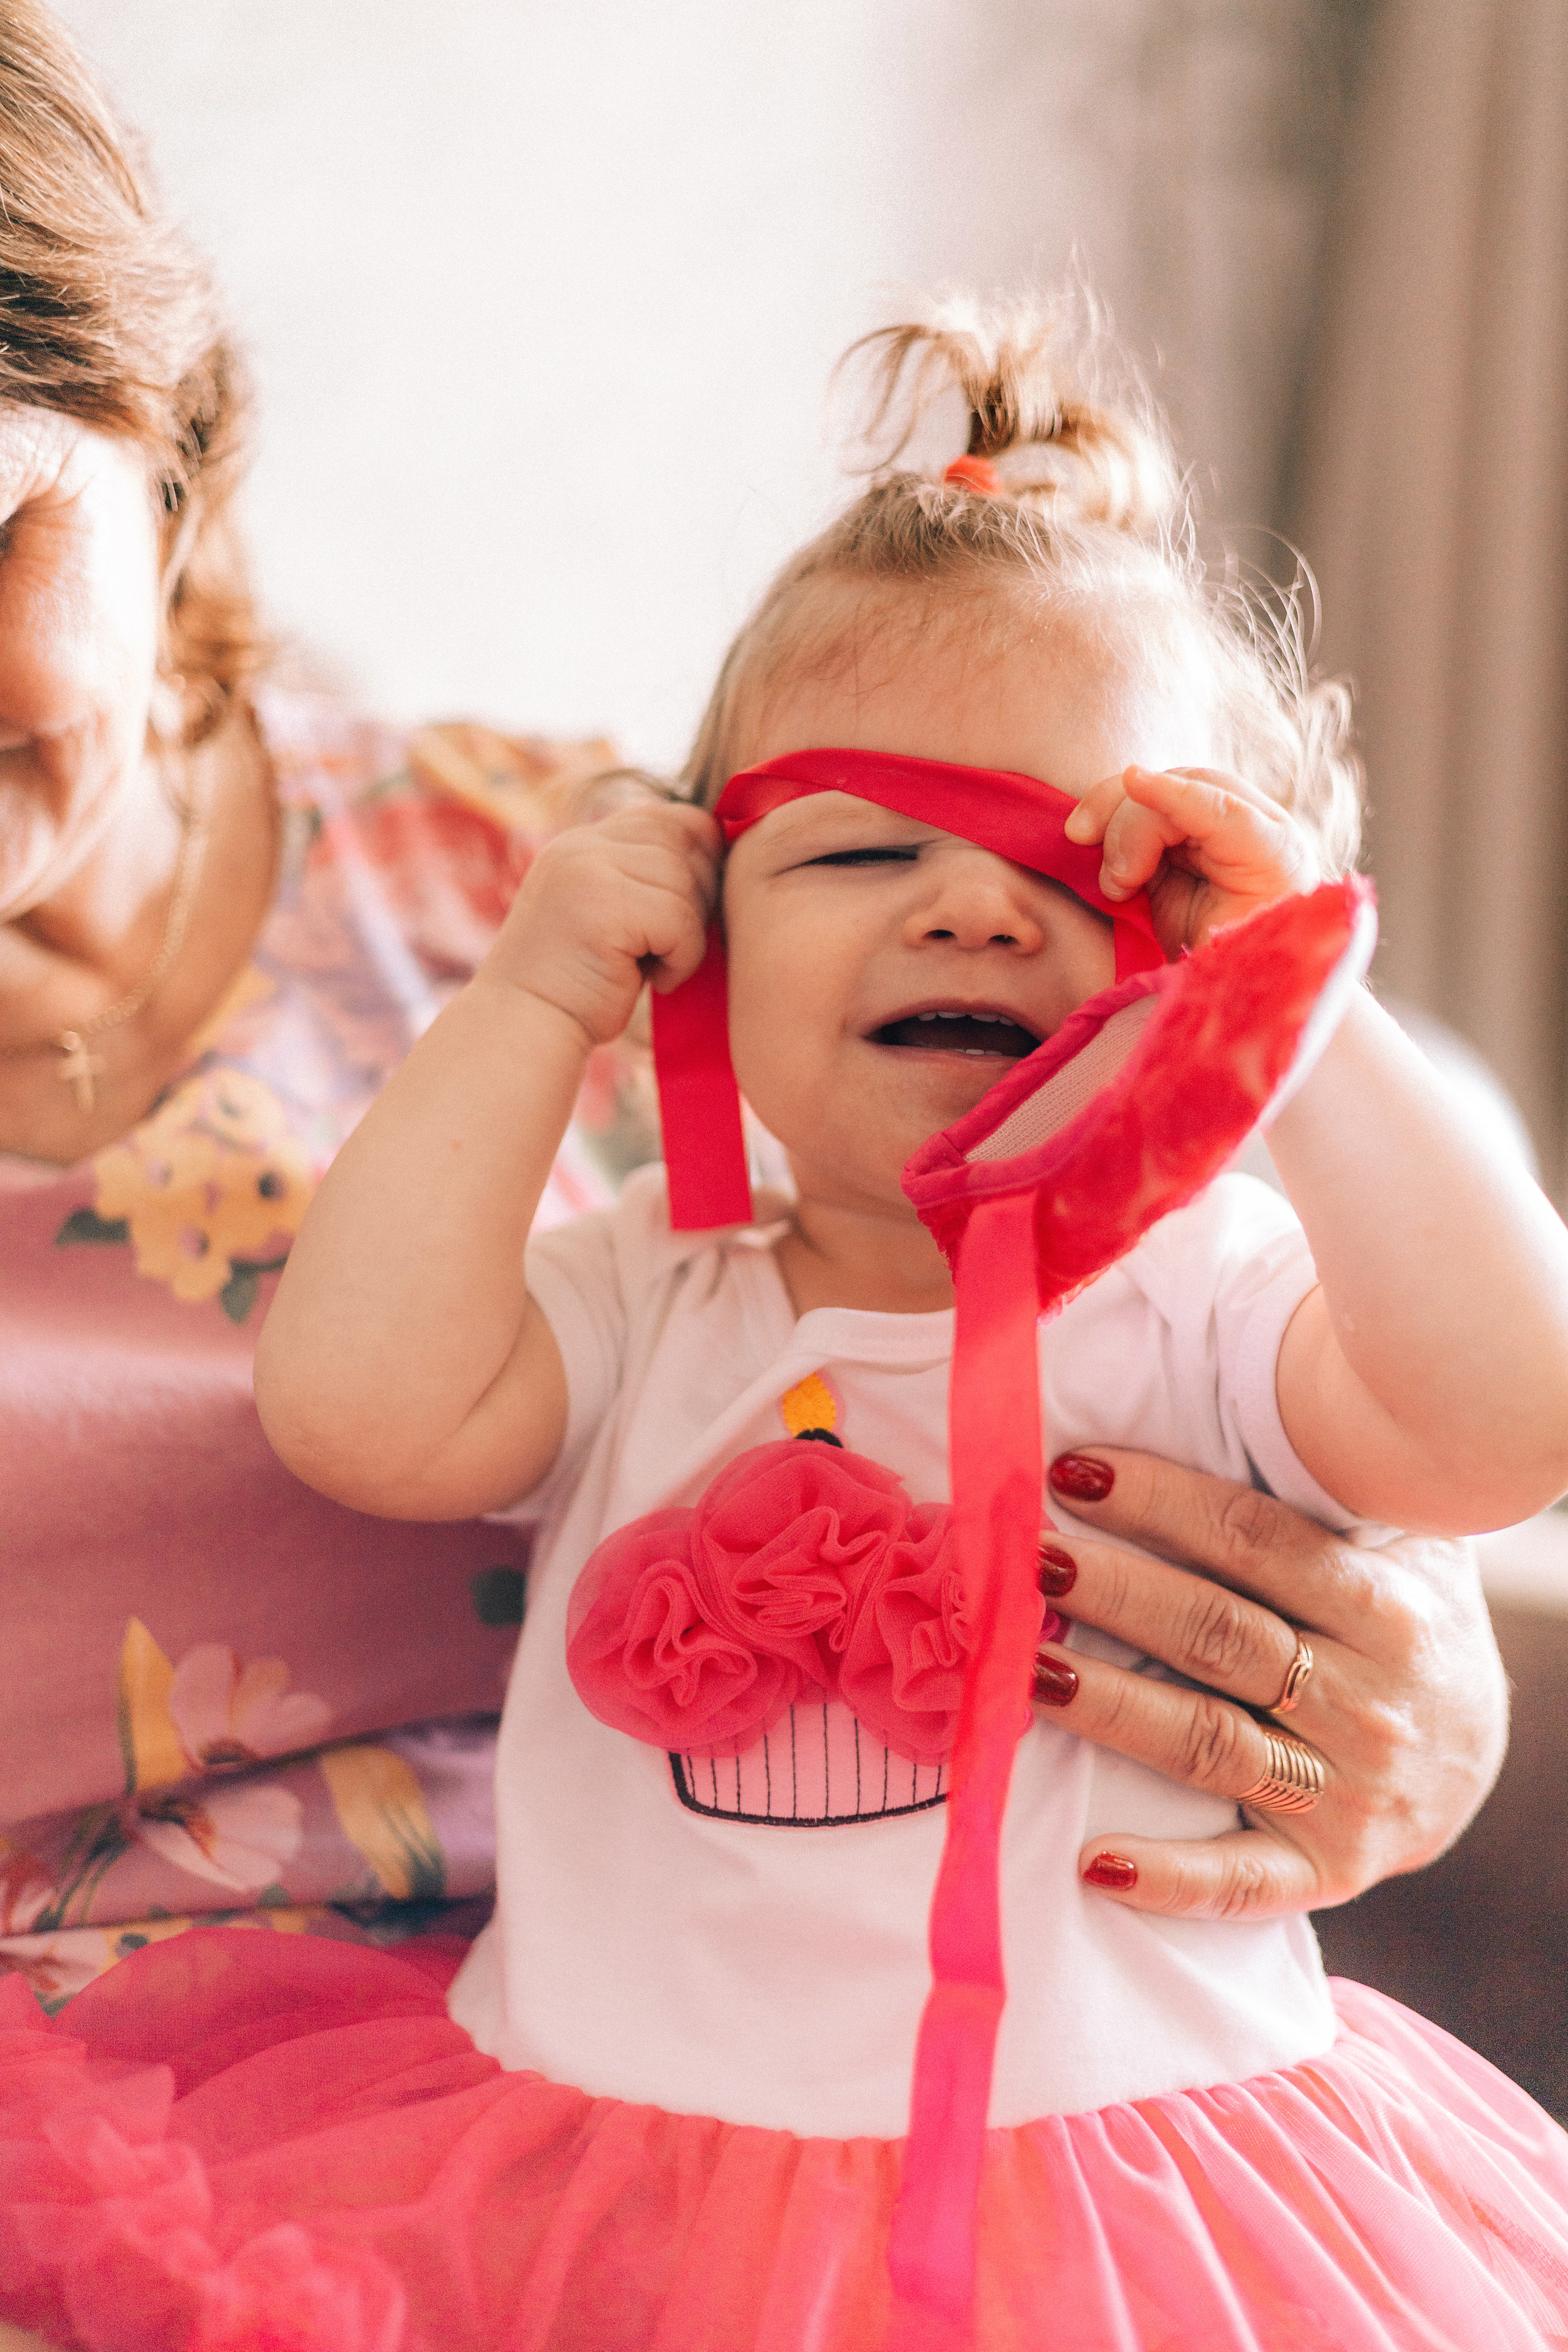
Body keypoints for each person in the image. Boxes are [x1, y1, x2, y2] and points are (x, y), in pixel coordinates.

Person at [0, 7, 1528, 2341]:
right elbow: (376, 1403)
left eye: (1057, 864)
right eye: (867, 849)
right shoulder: (637, 1247)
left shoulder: (1186, 1269)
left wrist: (1301, 1013)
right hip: (479, 2177)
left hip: (1117, 2193)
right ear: (706, 934)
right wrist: (526, 1018)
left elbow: (1499, 1411)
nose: (965, 905)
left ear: (160, 463)